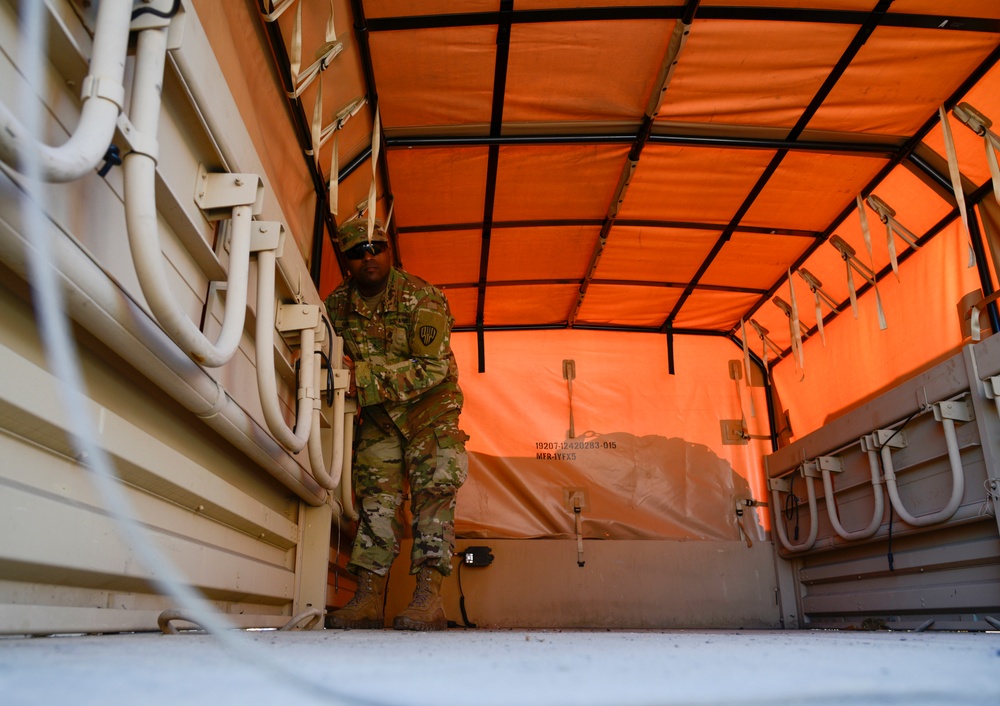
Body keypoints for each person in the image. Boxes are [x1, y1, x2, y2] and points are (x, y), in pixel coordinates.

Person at [324, 217, 469, 631]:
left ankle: (428, 599)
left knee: (433, 496)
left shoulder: (421, 297)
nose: (368, 257)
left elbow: (432, 367)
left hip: (430, 412)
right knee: (375, 503)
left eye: (375, 247)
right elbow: (333, 362)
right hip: (380, 418)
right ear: (346, 262)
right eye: (356, 252)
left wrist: (363, 375)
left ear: (390, 251)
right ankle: (368, 598)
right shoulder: (336, 307)